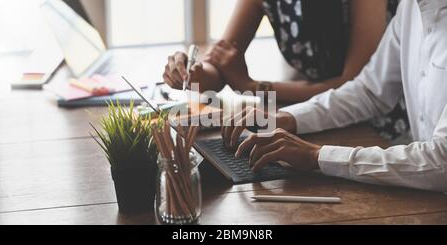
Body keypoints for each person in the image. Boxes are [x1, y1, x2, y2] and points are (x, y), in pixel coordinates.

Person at [224, 0, 447, 193]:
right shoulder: (411, 7)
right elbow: (369, 91)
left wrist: (317, 156)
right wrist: (288, 117)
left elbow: (442, 161)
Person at [163, 0, 408, 141]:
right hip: (312, 114)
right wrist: (191, 71)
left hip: (379, 127)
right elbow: (221, 64)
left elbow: (354, 88)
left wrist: (252, 87)